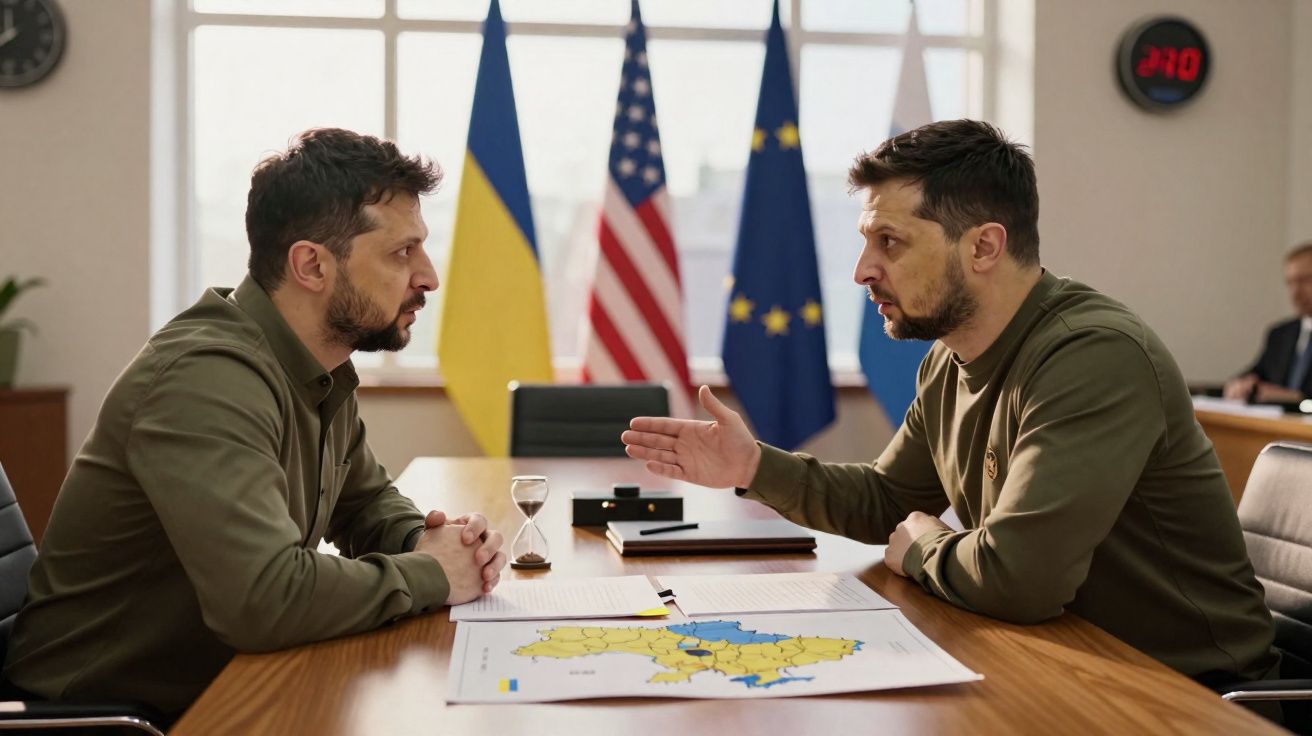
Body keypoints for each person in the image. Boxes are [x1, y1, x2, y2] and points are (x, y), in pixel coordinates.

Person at [623, 120, 1280, 690]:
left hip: (1181, 688)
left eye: (890, 242)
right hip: (1061, 656)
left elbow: (1019, 579)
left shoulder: (1093, 356)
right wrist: (752, 467)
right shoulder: (949, 357)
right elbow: (886, 501)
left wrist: (922, 546)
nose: (862, 271)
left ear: (984, 247)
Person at [2, 128, 506, 719]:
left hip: (222, 685)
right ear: (311, 265)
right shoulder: (206, 378)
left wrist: (425, 540)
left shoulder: (317, 366)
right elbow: (265, 600)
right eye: (401, 252)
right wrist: (429, 575)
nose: (428, 277)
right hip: (109, 716)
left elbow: (363, 502)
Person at [1223, 242, 1312, 403]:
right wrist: (1240, 384)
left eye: (1305, 280)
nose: (1295, 293)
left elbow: (1296, 397)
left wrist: (1298, 399)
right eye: (1290, 283)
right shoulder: (1280, 334)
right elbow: (1256, 373)